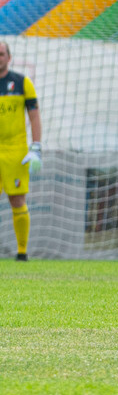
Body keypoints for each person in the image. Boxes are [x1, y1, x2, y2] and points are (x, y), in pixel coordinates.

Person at [0, 41, 42, 261]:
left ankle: (22, 252)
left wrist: (36, 147)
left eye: (1, 54)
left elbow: (34, 115)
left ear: (9, 57)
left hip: (15, 151)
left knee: (17, 200)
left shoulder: (22, 82)